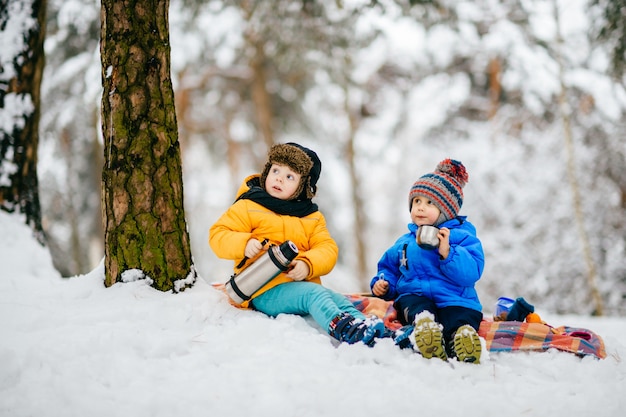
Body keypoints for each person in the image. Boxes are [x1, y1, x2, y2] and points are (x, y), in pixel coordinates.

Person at [210, 142, 386, 346]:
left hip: (299, 287)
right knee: (315, 294)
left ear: (303, 187)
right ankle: (344, 328)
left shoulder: (312, 218)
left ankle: (370, 329)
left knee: (338, 300)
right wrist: (244, 243)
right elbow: (218, 234)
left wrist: (307, 264)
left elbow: (327, 249)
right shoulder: (249, 206)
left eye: (289, 176)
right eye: (275, 170)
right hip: (263, 290)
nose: (278, 178)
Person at [370, 159, 485, 363]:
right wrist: (382, 284)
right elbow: (388, 268)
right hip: (416, 296)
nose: (421, 208)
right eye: (417, 201)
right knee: (413, 304)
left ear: (447, 210)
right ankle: (425, 327)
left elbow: (471, 273)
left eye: (430, 203)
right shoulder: (405, 242)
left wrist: (448, 252)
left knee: (459, 316)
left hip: (455, 298)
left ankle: (463, 339)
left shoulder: (461, 237)